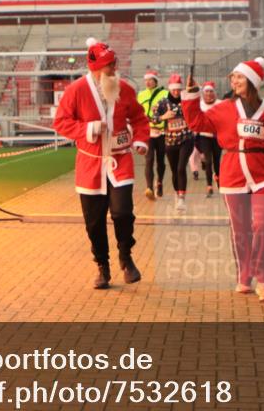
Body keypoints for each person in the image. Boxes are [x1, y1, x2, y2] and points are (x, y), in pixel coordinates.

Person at [180, 57, 264, 303]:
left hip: (263, 173)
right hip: (232, 172)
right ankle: (244, 274)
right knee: (240, 230)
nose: (234, 80)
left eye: (239, 77)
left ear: (251, 81)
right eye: (233, 77)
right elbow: (197, 121)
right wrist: (190, 96)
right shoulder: (223, 109)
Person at [53, 38, 150, 289]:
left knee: (123, 213)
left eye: (114, 65)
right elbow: (61, 123)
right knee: (94, 222)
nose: (113, 71)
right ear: (96, 69)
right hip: (91, 165)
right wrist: (90, 128)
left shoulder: (124, 88)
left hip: (120, 161)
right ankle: (102, 266)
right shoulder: (76, 90)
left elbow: (139, 118)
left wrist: (140, 140)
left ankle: (126, 256)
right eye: (109, 67)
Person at [152, 73, 195, 213]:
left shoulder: (185, 100)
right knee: (174, 170)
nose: (176, 92)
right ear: (170, 89)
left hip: (186, 139)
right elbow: (154, 119)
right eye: (174, 90)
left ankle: (182, 197)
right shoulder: (163, 102)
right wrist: (164, 116)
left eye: (178, 90)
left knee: (181, 167)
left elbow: (196, 107)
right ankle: (177, 193)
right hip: (170, 141)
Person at [136, 69, 168, 200]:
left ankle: (159, 182)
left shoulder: (165, 93)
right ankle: (149, 187)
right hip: (147, 132)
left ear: (156, 81)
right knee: (149, 160)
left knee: (161, 161)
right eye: (146, 80)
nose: (148, 82)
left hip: (161, 132)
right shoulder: (141, 94)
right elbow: (137, 113)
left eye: (150, 80)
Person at [193, 80, 222, 196]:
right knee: (208, 161)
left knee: (217, 162)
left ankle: (220, 183)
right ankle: (209, 185)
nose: (209, 94)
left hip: (217, 137)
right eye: (206, 92)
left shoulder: (220, 104)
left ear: (214, 93)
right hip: (204, 136)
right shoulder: (199, 104)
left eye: (211, 91)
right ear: (203, 94)